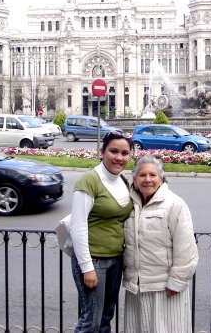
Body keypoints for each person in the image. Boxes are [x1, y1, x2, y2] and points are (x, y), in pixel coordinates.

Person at [123, 154, 199, 333]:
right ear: (134, 179)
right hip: (137, 288)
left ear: (161, 178)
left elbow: (186, 248)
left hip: (165, 288)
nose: (147, 180)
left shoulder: (175, 204)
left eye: (152, 175)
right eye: (142, 175)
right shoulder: (128, 204)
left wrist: (177, 282)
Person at [70, 131, 134, 332]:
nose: (119, 157)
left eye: (125, 153)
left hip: (115, 260)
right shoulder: (90, 181)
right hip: (94, 260)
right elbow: (77, 227)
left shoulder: (122, 180)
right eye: (113, 151)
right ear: (102, 151)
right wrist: (87, 268)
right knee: (91, 321)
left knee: (106, 317)